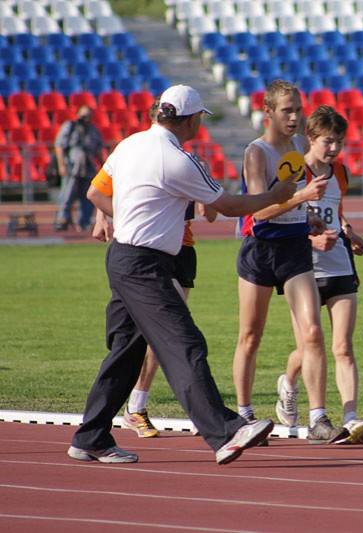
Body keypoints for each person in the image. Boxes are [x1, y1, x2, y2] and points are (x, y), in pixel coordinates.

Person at [69, 84, 295, 465]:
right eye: (198, 120)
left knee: (126, 352)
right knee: (184, 343)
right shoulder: (177, 159)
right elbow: (228, 205)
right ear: (189, 120)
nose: (199, 127)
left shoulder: (130, 144)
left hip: (123, 256)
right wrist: (277, 196)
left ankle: (90, 435)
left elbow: (95, 193)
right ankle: (225, 431)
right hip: (145, 265)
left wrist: (128, 220)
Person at [233, 80, 348, 445]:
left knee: (313, 332)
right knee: (251, 335)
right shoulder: (257, 152)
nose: (296, 117)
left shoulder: (300, 146)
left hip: (295, 247)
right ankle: (244, 415)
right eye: (288, 110)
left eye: (298, 109)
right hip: (261, 248)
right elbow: (259, 209)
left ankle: (318, 418)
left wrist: (309, 218)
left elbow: (295, 203)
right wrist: (301, 197)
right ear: (268, 112)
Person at [92, 101, 215, 439]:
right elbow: (102, 192)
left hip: (180, 248)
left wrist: (203, 188)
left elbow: (212, 213)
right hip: (146, 253)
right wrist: (114, 217)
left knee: (147, 340)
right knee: (173, 337)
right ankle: (215, 425)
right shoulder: (145, 155)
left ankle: (113, 419)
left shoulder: (188, 163)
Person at [277, 105, 363, 444]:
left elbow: (336, 210)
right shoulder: (291, 169)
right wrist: (310, 237)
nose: (333, 149)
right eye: (328, 142)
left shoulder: (340, 173)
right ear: (311, 138)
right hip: (301, 268)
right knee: (307, 345)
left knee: (343, 347)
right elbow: (277, 215)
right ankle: (288, 383)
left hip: (339, 264)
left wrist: (349, 231)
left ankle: (350, 418)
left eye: (339, 143)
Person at [54, 105, 104, 231]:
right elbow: (59, 146)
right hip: (72, 166)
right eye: (83, 115)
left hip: (88, 167)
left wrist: (104, 166)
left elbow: (98, 150)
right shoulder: (70, 127)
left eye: (88, 116)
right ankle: (62, 219)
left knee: (87, 197)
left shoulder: (93, 130)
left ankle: (84, 222)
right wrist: (61, 165)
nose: (85, 118)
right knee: (67, 194)